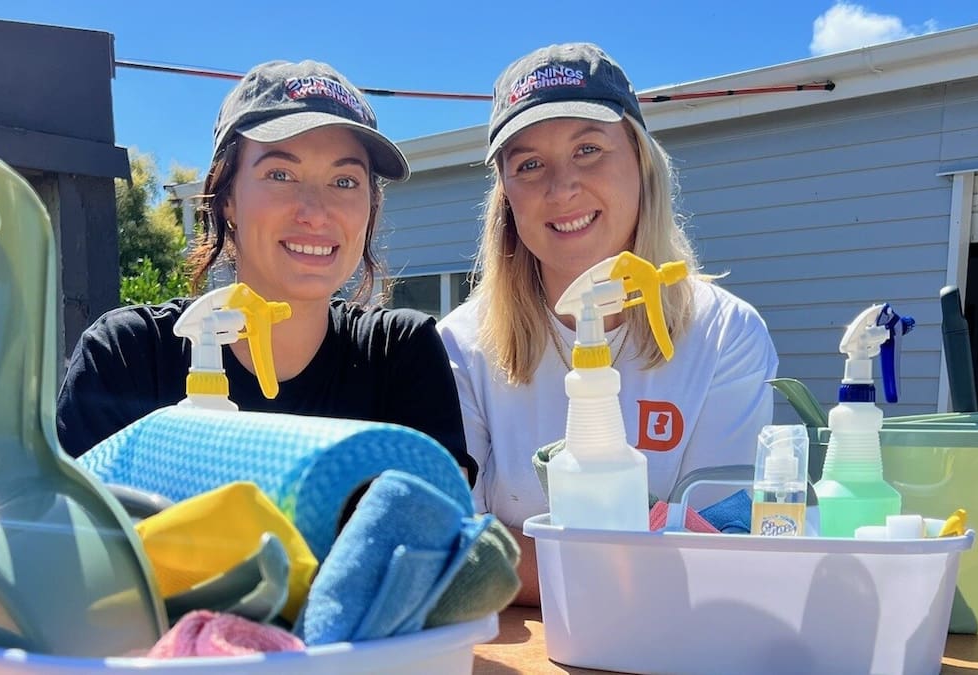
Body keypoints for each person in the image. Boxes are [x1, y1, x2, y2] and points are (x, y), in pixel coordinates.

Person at [437, 43, 778, 603]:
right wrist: (637, 561)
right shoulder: (460, 345)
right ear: (506, 198)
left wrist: (525, 555)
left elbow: (719, 543)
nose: (561, 187)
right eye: (528, 165)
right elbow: (457, 549)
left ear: (641, 164)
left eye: (589, 149)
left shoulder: (725, 333)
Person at [57, 59, 477, 484]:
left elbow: (437, 533)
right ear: (226, 200)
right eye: (281, 174)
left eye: (345, 181)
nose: (315, 212)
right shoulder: (129, 356)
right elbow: (59, 533)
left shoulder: (399, 354)